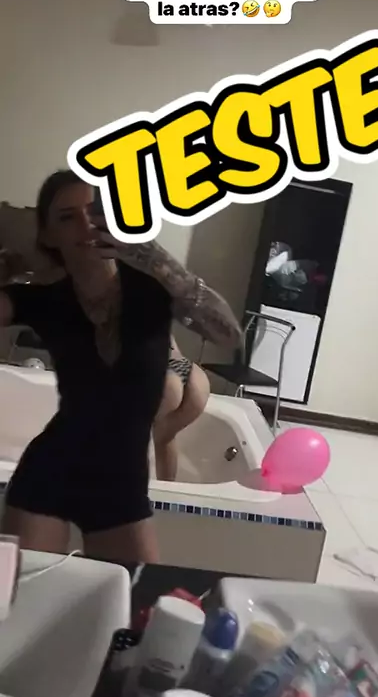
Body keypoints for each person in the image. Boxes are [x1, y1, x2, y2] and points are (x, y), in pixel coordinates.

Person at [0, 170, 242, 561]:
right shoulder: (44, 298)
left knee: (132, 597)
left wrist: (152, 255)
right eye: (67, 217)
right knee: (22, 593)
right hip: (48, 474)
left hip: (120, 487)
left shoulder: (152, 287)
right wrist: (8, 266)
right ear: (48, 235)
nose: (86, 225)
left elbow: (229, 336)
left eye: (95, 212)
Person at [152, 335, 210, 481]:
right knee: (164, 438)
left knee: (131, 437)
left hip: (162, 375)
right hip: (192, 373)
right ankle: (167, 489)